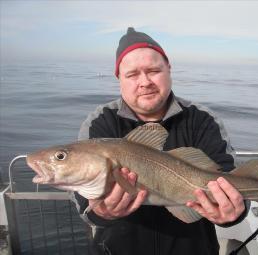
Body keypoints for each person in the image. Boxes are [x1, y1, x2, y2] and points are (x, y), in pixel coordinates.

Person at [73, 27, 247, 255]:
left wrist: (233, 214)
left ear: (169, 70)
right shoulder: (100, 122)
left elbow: (230, 179)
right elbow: (84, 203)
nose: (144, 82)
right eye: (132, 74)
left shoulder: (202, 119)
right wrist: (101, 212)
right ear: (119, 79)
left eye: (154, 70)